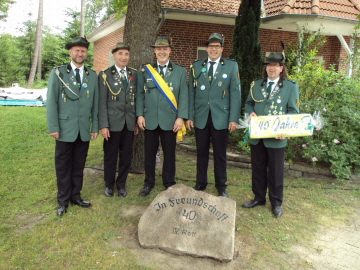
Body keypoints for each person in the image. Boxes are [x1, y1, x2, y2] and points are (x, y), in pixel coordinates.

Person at [242, 52, 300, 217]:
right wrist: (251, 113)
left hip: (277, 138)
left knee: (275, 172)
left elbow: (293, 112)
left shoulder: (290, 86)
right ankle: (259, 198)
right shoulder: (257, 84)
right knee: (258, 168)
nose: (271, 68)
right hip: (258, 135)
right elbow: (248, 103)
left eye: (275, 65)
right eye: (269, 65)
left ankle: (276, 203)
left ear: (281, 68)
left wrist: (285, 130)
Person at [47, 36, 99, 216]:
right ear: (71, 52)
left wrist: (95, 127)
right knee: (62, 166)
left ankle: (75, 196)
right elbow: (52, 102)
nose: (80, 53)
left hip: (83, 129)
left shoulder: (92, 75)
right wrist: (53, 126)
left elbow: (95, 104)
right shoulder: (59, 73)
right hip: (64, 128)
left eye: (83, 51)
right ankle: (62, 200)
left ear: (86, 53)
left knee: (79, 165)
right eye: (77, 50)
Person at [186, 33, 241, 198]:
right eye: (211, 46)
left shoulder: (231, 66)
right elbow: (191, 93)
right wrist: (190, 116)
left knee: (220, 154)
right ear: (207, 48)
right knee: (201, 152)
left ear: (222, 49)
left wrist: (233, 119)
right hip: (201, 116)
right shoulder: (197, 66)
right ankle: (200, 183)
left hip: (221, 118)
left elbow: (235, 93)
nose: (214, 49)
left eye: (217, 46)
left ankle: (221, 186)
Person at [136, 37, 188, 197]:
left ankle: (169, 183)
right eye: (159, 49)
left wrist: (181, 118)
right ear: (154, 51)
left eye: (165, 48)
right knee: (149, 154)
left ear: (170, 50)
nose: (162, 52)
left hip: (171, 120)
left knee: (170, 153)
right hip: (150, 119)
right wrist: (139, 115)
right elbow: (139, 94)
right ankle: (148, 183)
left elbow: (183, 96)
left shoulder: (180, 71)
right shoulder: (145, 71)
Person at [98, 42, 138, 198]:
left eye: (126, 54)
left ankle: (121, 184)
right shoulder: (105, 74)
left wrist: (135, 121)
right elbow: (102, 103)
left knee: (126, 156)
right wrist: (103, 125)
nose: (124, 57)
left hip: (129, 124)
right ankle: (109, 185)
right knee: (110, 156)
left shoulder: (134, 74)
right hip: (112, 124)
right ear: (114, 55)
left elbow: (135, 99)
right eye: (120, 54)